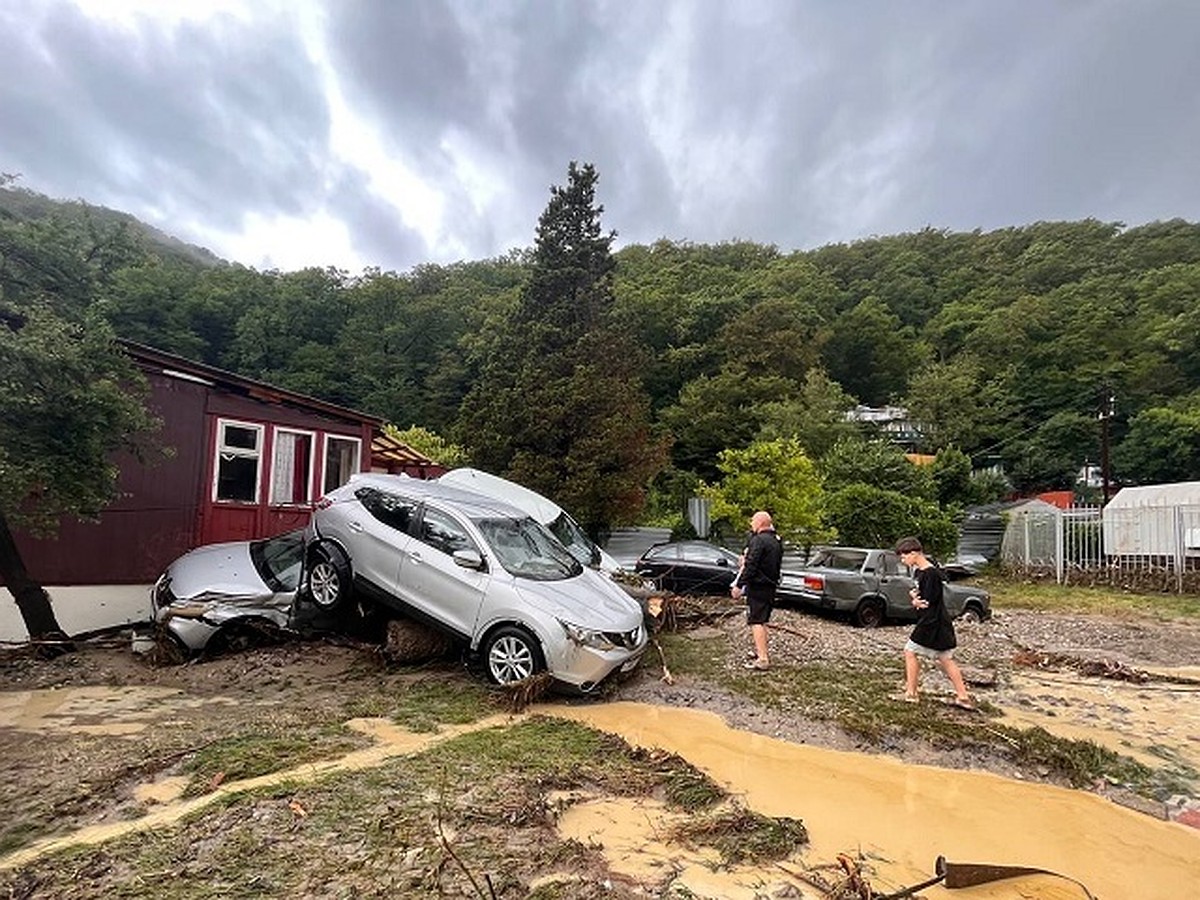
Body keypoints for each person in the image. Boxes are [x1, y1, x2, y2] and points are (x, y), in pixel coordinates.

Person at [895, 536, 974, 709]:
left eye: (904, 556)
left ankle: (911, 694)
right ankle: (963, 697)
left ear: (914, 553)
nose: (903, 560)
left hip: (932, 621)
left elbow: (927, 602)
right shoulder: (921, 572)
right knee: (945, 658)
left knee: (910, 651)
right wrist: (915, 596)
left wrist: (916, 602)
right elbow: (922, 595)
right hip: (936, 620)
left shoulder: (930, 573)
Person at [731, 511, 783, 670]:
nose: (750, 523)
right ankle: (761, 651)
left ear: (760, 523)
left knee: (756, 621)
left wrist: (739, 585)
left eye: (753, 520)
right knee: (762, 620)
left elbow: (752, 566)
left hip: (759, 587)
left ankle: (762, 659)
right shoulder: (776, 541)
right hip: (770, 586)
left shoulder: (759, 541)